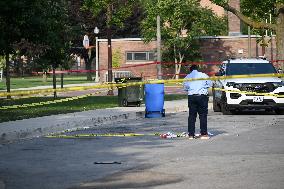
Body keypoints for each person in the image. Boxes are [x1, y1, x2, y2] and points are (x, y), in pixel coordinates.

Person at [183, 65, 212, 139]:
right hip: (202, 97)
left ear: (190, 70)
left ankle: (191, 134)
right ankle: (204, 134)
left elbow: (185, 88)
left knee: (192, 116)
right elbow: (210, 84)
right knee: (202, 115)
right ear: (197, 69)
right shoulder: (203, 75)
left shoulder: (187, 77)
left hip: (192, 97)